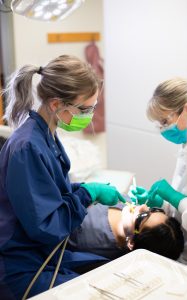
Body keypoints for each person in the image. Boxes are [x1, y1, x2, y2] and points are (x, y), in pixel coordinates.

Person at [0, 55, 126, 300]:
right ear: (57, 104)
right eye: (85, 109)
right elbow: (47, 226)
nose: (89, 115)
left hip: (42, 253)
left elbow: (51, 192)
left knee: (106, 268)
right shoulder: (27, 147)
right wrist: (88, 194)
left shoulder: (46, 135)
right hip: (19, 266)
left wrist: (84, 190)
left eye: (94, 107)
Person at [130, 77, 187, 269]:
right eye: (158, 125)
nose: (162, 130)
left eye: (164, 121)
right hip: (185, 256)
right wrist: (163, 203)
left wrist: (176, 198)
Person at [67, 202, 184, 271]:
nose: (143, 206)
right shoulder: (128, 210)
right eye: (152, 210)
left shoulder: (84, 235)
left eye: (142, 216)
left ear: (132, 243)